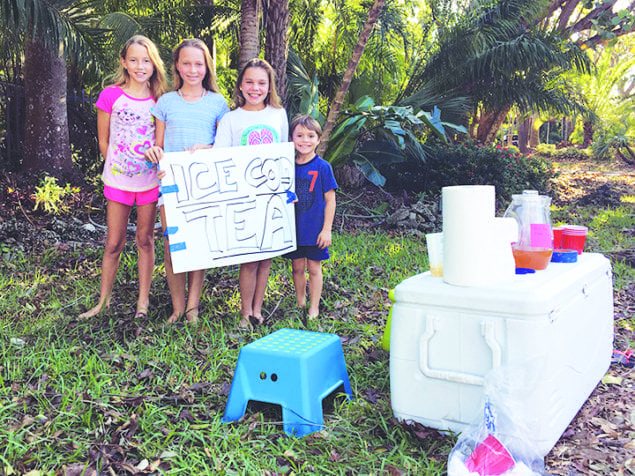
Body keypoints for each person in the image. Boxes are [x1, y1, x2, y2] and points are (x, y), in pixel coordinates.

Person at [79, 35, 168, 320]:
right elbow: (103, 142)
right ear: (124, 62)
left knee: (145, 240)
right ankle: (103, 302)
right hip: (118, 182)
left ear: (154, 65)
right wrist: (118, 167)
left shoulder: (160, 101)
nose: (140, 66)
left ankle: (143, 303)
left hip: (149, 183)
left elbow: (162, 145)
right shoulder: (110, 96)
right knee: (113, 242)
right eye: (133, 60)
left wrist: (155, 154)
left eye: (146, 60)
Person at [144, 39, 229, 324]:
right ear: (177, 66)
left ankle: (193, 307)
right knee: (173, 246)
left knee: (199, 246)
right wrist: (155, 155)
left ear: (207, 67)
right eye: (186, 63)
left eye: (198, 64)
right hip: (171, 186)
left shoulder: (218, 103)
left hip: (204, 186)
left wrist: (211, 149)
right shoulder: (166, 102)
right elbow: (158, 147)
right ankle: (177, 307)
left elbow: (225, 147)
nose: (193, 69)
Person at [215, 58, 289, 327]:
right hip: (243, 198)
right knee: (248, 258)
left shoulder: (278, 115)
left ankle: (258, 308)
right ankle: (245, 312)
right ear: (240, 85)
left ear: (270, 86)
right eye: (249, 82)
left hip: (271, 196)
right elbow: (218, 157)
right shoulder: (231, 119)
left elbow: (284, 154)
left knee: (265, 257)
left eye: (261, 82)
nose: (255, 88)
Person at [284, 115, 337, 319]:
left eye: (310, 136)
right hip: (294, 228)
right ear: (291, 139)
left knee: (314, 268)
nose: (304, 140)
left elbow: (330, 200)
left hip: (315, 229)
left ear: (318, 139)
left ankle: (314, 307)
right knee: (297, 267)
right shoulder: (287, 166)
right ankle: (300, 302)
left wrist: (326, 229)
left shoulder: (323, 167)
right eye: (299, 135)